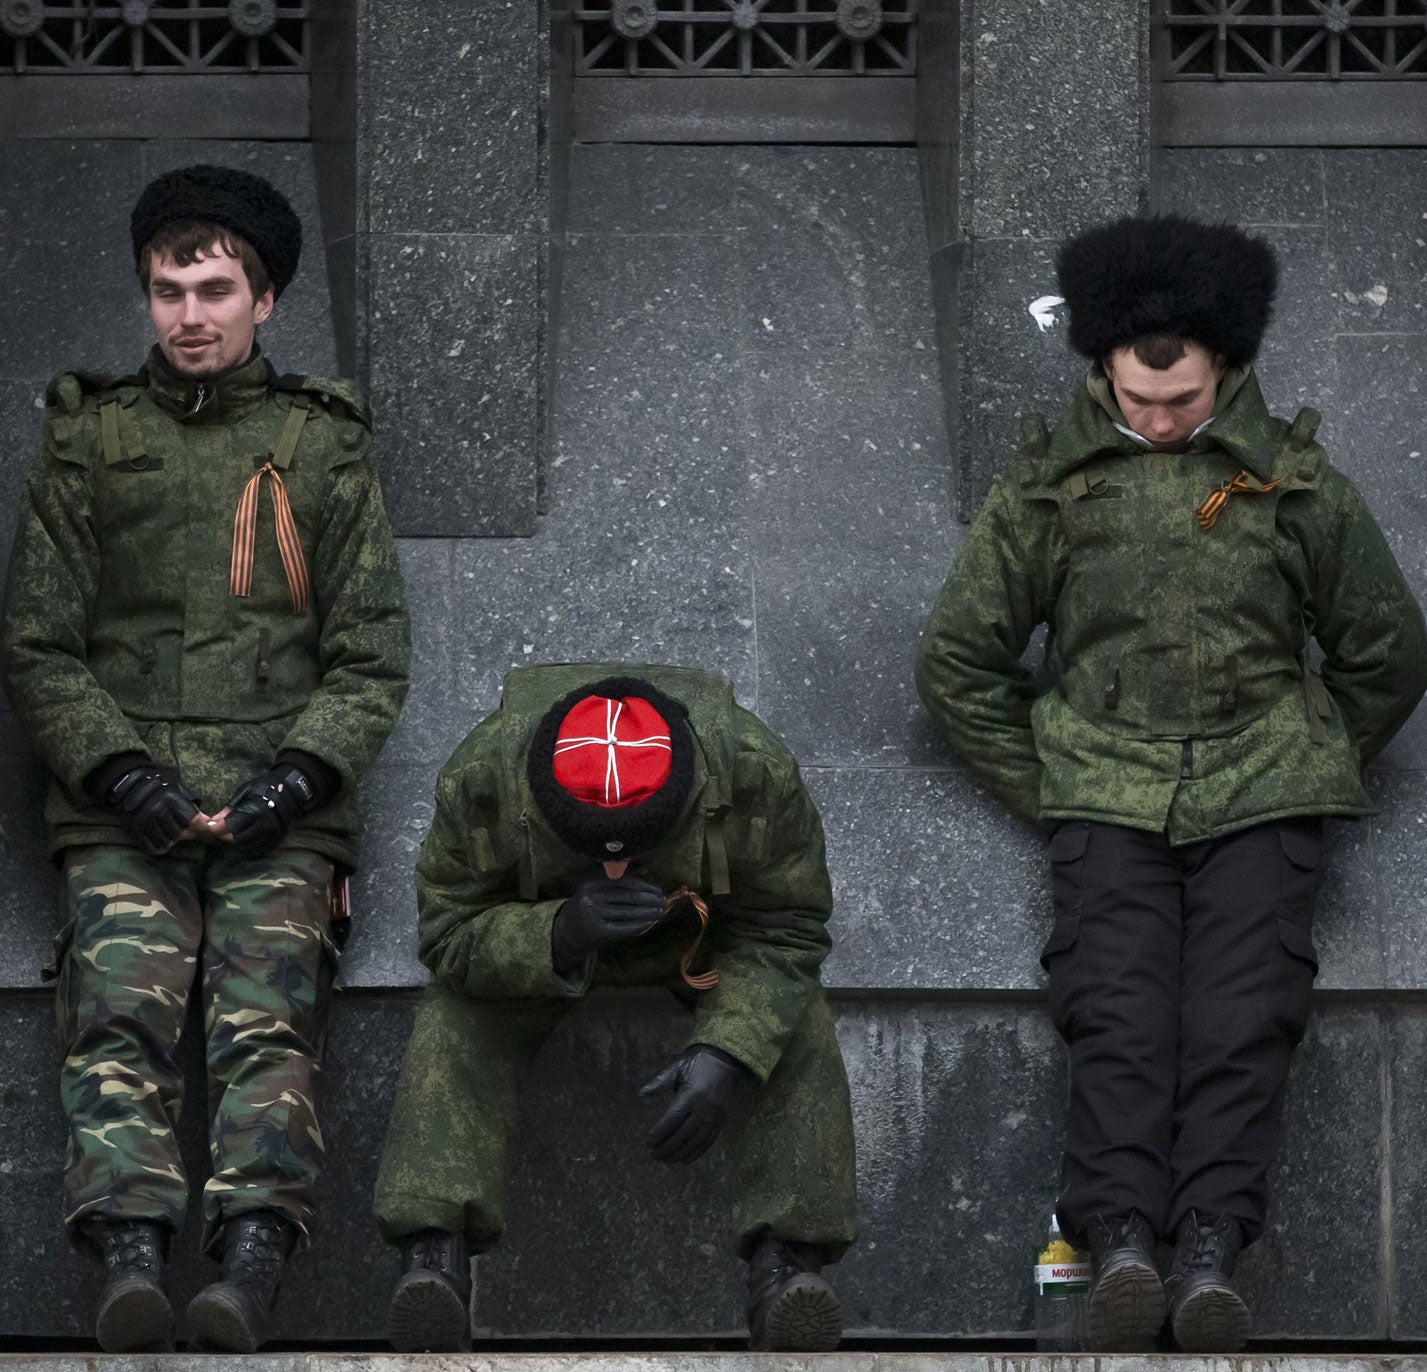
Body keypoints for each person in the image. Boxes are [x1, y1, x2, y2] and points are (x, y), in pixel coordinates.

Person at [915, 215, 1427, 1353]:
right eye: (1138, 401)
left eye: (1182, 401)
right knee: (1119, 1021)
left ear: (1226, 370)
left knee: (1245, 1021)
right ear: (1100, 367)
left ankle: (1208, 1248)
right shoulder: (1048, 486)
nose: (1157, 421)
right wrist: (1049, 779)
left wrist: (1302, 754)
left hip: (1261, 801)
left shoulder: (1292, 483)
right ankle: (1119, 1244)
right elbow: (957, 659)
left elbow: (1384, 652)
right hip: (1104, 800)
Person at [1, 164, 412, 1352]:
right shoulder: (90, 438)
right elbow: (36, 641)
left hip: (282, 803)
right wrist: (121, 775)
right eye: (169, 289)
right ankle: (129, 1261)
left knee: (265, 1027)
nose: (190, 314)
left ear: (264, 299)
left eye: (215, 288)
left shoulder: (319, 449)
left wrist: (297, 782)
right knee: (117, 1014)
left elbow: (373, 652)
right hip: (120, 803)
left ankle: (249, 1270)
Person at [369, 664, 859, 1353]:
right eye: (595, 855)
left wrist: (726, 1051)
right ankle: (432, 1262)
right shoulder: (483, 778)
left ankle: (788, 1274)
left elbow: (788, 927)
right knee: (455, 1015)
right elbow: (447, 933)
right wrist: (559, 934)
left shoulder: (752, 770)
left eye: (638, 853)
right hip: (546, 941)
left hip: (709, 938)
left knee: (794, 1023)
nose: (618, 872)